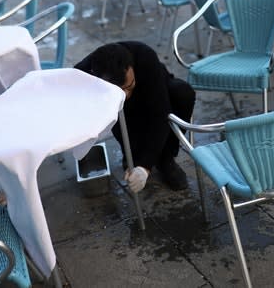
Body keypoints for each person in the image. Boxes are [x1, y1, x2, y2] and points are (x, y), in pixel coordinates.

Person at [75, 41, 195, 193]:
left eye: (129, 86)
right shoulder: (86, 70)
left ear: (131, 67)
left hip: (156, 92)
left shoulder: (145, 56)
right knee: (118, 110)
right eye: (121, 90)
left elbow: (160, 114)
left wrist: (145, 166)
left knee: (183, 93)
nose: (126, 94)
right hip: (118, 106)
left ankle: (166, 159)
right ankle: (131, 152)